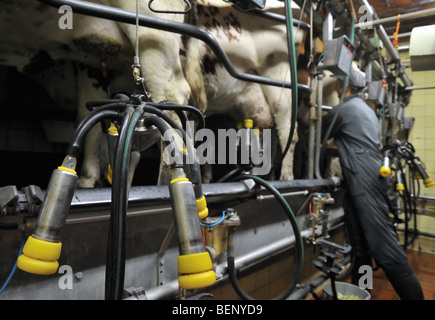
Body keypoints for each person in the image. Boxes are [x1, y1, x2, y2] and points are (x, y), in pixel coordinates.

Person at [322, 64, 424, 300]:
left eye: (337, 84)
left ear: (341, 85)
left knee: (384, 248)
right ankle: (362, 292)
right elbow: (353, 143)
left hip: (364, 180)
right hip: (370, 176)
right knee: (361, 248)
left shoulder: (342, 110)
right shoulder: (367, 110)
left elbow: (318, 135)